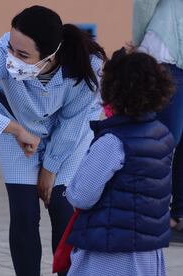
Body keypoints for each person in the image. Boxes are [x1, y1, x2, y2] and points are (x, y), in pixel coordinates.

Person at [0, 5, 106, 276]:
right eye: (11, 49)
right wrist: (14, 129)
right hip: (12, 127)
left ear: (50, 56)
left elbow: (72, 124)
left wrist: (50, 169)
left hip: (69, 134)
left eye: (23, 54)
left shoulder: (88, 64)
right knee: (24, 212)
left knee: (63, 206)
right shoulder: (3, 49)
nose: (12, 57)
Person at [66, 49, 175, 276]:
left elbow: (82, 196)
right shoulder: (163, 135)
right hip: (148, 249)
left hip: (111, 251)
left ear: (112, 91)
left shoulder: (112, 141)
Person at [132, 0, 183, 239]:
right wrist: (139, 44)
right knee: (163, 143)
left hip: (167, 53)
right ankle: (151, 217)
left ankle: (176, 218)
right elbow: (144, 4)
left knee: (166, 142)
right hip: (166, 54)